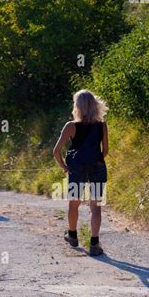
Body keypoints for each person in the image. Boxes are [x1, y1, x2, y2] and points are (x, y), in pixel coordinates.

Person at [53, 89, 108, 256]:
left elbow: (56, 151)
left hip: (76, 168)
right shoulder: (101, 125)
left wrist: (64, 167)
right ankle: (94, 243)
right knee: (96, 206)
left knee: (74, 203)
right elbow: (105, 151)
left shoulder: (71, 126)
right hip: (97, 167)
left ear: (78, 106)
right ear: (94, 105)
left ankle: (73, 236)